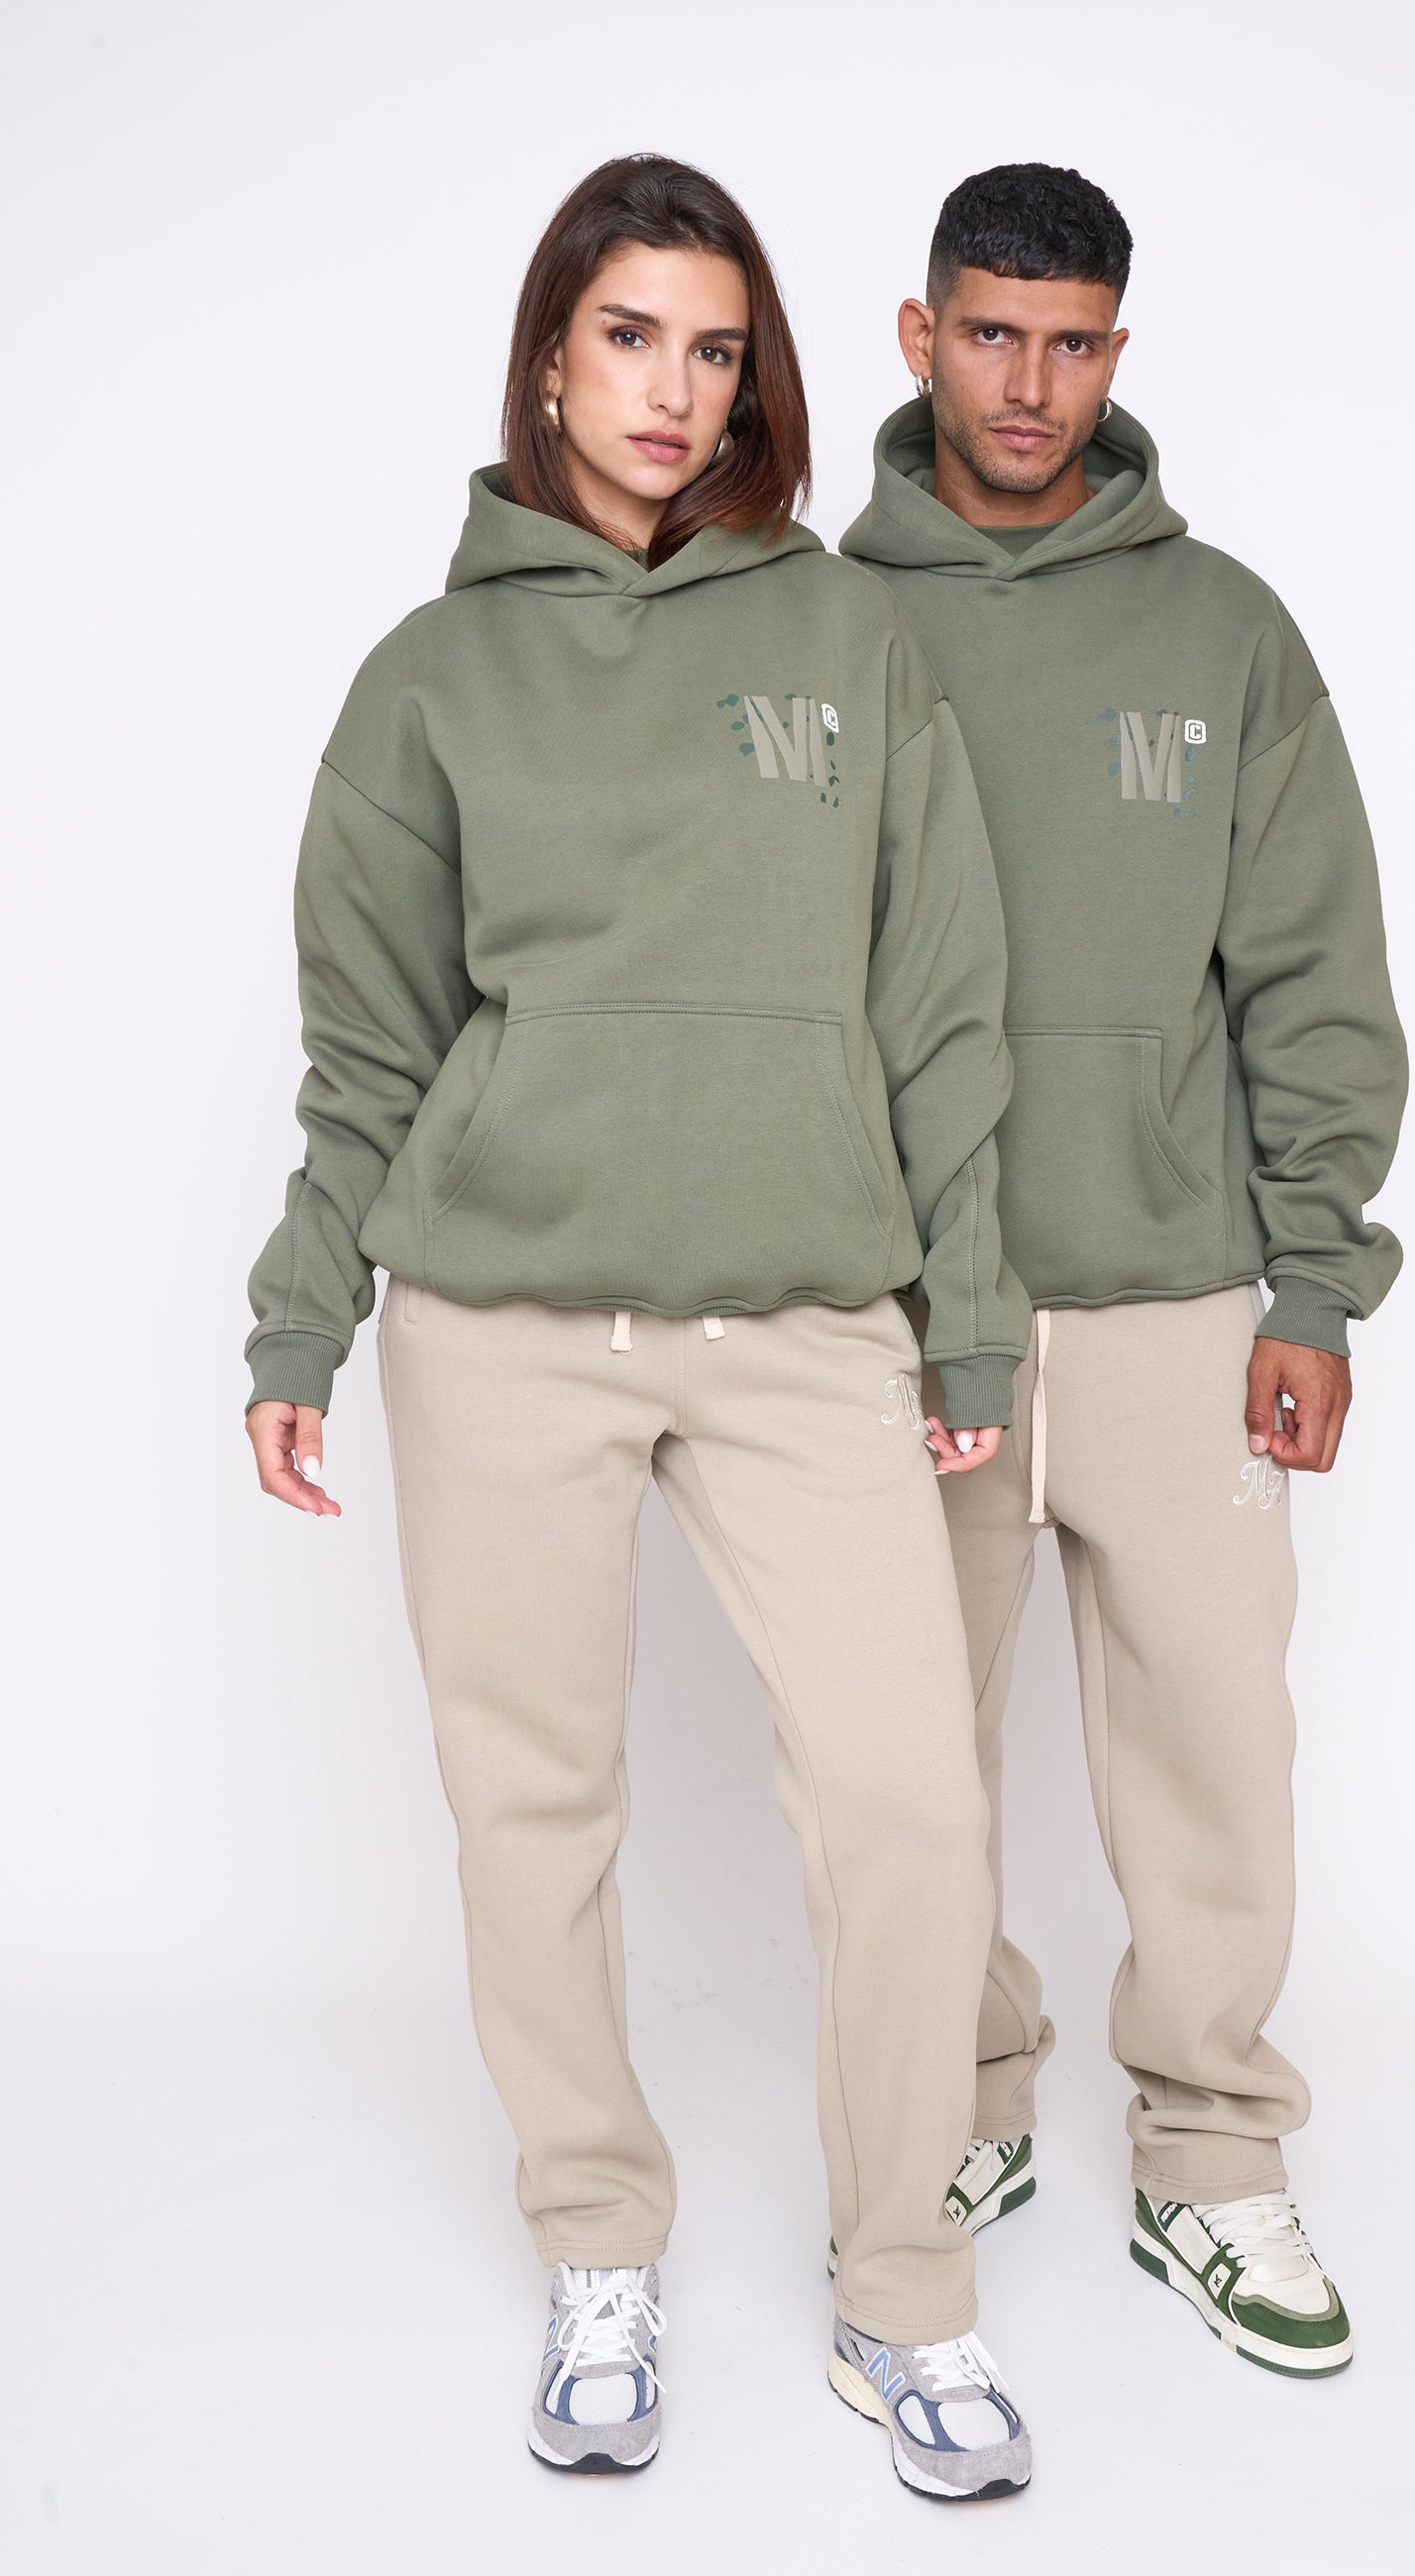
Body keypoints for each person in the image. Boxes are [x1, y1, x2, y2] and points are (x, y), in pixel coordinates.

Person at [243, 154, 1034, 2500]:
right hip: (500, 1324)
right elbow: (366, 1044)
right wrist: (300, 1318)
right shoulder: (431, 677)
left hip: (804, 1322)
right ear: (549, 358)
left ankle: (904, 2286)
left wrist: (966, 1328)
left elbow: (943, 1006)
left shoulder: (845, 639)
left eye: (715, 347)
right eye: (629, 338)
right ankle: (599, 2240)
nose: (673, 390)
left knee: (909, 1803)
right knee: (535, 1809)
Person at [841, 161, 1408, 2379]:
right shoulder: (821, 621)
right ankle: (971, 2102)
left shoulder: (1224, 632)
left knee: (1215, 1753)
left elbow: (1314, 974)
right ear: (918, 336)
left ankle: (1210, 2152)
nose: (1029, 382)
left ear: (1117, 353)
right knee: (913, 1761)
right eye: (991, 333)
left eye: (1071, 343)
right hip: (917, 1307)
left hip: (1179, 1300)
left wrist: (1314, 1284)